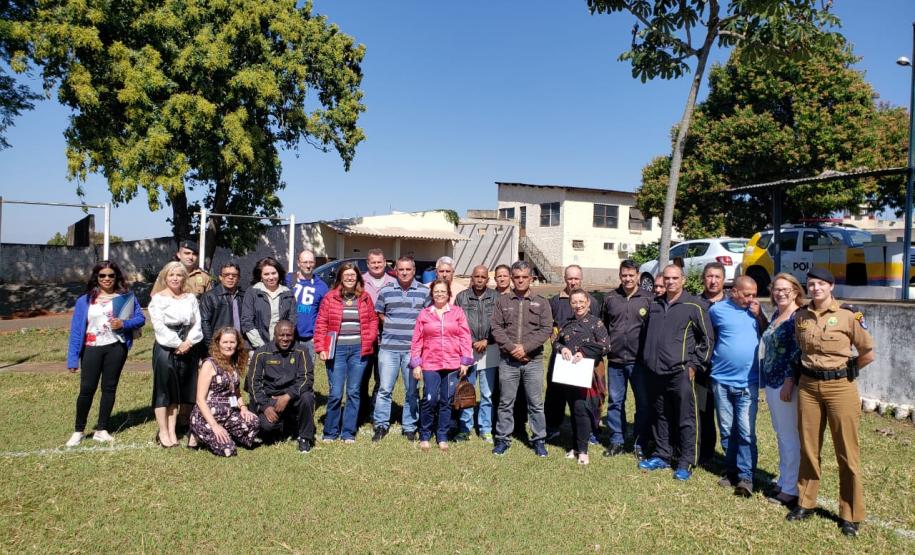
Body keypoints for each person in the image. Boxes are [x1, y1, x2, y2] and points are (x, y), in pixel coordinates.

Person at [786, 268, 874, 538]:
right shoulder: (800, 316)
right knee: (809, 447)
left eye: (821, 284)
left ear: (831, 286)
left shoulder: (849, 316)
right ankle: (805, 502)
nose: (815, 288)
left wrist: (845, 372)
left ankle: (850, 514)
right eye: (811, 284)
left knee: (847, 452)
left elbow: (867, 353)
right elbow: (800, 350)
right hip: (809, 386)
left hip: (840, 388)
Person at [638, 264, 713, 481]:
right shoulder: (655, 305)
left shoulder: (694, 305)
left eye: (674, 278)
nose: (670, 282)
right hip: (655, 372)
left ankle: (686, 461)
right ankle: (662, 454)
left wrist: (694, 365)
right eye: (667, 279)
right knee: (661, 415)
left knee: (686, 417)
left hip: (680, 373)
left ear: (683, 280)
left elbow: (707, 340)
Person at [64, 261, 146, 447]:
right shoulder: (85, 301)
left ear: (116, 277)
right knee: (87, 390)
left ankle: (102, 429)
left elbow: (141, 319)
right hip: (91, 348)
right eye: (102, 275)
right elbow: (77, 331)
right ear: (96, 277)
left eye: (111, 275)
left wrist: (124, 324)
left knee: (109, 388)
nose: (107, 279)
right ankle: (78, 431)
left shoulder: (125, 298)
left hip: (116, 347)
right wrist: (72, 359)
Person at [709, 276, 767, 496]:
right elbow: (708, 337)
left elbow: (767, 332)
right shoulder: (717, 311)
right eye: (746, 294)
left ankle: (746, 476)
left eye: (754, 294)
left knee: (745, 431)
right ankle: (730, 470)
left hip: (747, 383)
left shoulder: (755, 312)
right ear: (734, 291)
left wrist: (759, 315)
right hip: (721, 380)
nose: (751, 299)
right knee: (726, 429)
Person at [490, 260, 554, 457]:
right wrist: (512, 349)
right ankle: (503, 439)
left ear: (531, 278)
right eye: (516, 277)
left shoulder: (542, 302)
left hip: (533, 361)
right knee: (505, 402)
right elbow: (496, 328)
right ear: (512, 278)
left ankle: (538, 440)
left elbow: (546, 329)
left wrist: (525, 348)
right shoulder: (502, 301)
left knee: (535, 403)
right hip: (508, 361)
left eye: (524, 277)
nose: (520, 281)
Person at [314, 262, 379, 443]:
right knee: (335, 393)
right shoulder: (330, 298)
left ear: (358, 278)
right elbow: (321, 324)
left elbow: (373, 320)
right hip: (337, 351)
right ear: (340, 277)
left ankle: (348, 432)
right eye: (346, 275)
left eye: (353, 275)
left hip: (358, 351)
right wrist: (321, 348)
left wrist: (370, 336)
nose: (350, 278)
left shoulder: (365, 298)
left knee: (353, 392)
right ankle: (330, 431)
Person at [410, 279, 474, 451]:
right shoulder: (424, 314)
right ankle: (425, 434)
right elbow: (417, 340)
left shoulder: (457, 313)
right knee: (430, 400)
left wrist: (465, 361)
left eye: (443, 291)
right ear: (432, 294)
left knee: (446, 401)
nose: (439, 294)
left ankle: (442, 436)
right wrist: (416, 363)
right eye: (436, 291)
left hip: (453, 364)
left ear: (448, 294)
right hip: (430, 364)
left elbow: (465, 338)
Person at [371, 256, 429, 442]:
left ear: (414, 270)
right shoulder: (386, 291)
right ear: (395, 270)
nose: (404, 273)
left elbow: (428, 317)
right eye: (401, 269)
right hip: (388, 349)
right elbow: (379, 312)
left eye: (408, 269)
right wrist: (391, 324)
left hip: (413, 351)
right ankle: (381, 425)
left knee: (411, 390)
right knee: (384, 389)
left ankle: (409, 426)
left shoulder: (423, 291)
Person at [759, 273, 804, 507]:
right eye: (776, 289)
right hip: (772, 381)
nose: (780, 293)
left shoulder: (798, 316)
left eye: (785, 289)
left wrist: (789, 381)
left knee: (789, 436)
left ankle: (791, 488)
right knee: (781, 433)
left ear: (796, 291)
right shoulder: (777, 314)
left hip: (787, 385)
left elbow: (797, 352)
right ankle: (784, 477)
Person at [148, 261, 204, 448]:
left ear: (184, 278)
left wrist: (188, 342)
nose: (175, 278)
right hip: (166, 348)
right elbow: (159, 326)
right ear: (165, 277)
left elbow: (197, 323)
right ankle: (163, 431)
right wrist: (177, 343)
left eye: (179, 275)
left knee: (178, 390)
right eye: (171, 275)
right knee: (164, 390)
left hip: (189, 345)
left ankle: (173, 431)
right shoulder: (158, 299)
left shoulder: (190, 298)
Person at [601, 259, 652, 458]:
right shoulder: (610, 298)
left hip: (639, 362)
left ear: (638, 275)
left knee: (643, 403)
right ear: (619, 275)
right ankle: (616, 440)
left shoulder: (648, 298)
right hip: (615, 361)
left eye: (631, 275)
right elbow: (603, 326)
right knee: (615, 401)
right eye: (624, 275)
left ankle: (640, 442)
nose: (628, 279)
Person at [553, 289, 610, 465]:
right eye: (574, 302)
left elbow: (606, 346)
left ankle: (583, 450)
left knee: (582, 410)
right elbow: (556, 341)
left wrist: (584, 352)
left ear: (588, 303)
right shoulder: (567, 324)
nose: (578, 305)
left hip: (589, 375)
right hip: (569, 375)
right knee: (573, 409)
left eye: (581, 302)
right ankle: (575, 447)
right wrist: (562, 348)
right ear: (570, 304)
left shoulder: (596, 323)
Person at [545, 265, 600, 441]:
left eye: (576, 278)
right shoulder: (555, 301)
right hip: (561, 357)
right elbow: (549, 327)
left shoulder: (593, 301)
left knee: (588, 396)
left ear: (581, 278)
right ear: (564, 278)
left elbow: (598, 327)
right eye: (570, 278)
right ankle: (553, 426)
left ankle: (591, 429)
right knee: (555, 394)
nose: (573, 282)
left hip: (585, 359)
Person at [189, 327, 260, 456]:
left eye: (232, 342)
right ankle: (197, 434)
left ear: (237, 344)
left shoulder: (234, 363)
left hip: (228, 414)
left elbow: (236, 392)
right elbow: (200, 399)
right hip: (207, 416)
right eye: (225, 342)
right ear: (218, 343)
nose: (228, 346)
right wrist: (214, 425)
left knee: (253, 422)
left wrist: (243, 408)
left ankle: (224, 433)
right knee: (228, 450)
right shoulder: (209, 364)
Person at [249, 320, 316, 453]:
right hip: (271, 399)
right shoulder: (261, 353)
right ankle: (284, 425)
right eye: (281, 335)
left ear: (293, 335)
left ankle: (304, 438)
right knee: (266, 429)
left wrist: (288, 396)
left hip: (293, 398)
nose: (285, 339)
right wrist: (265, 406)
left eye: (289, 335)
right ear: (275, 335)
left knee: (307, 397)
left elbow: (307, 379)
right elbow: (252, 383)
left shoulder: (301, 351)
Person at [454, 264, 500, 442]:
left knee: (487, 393)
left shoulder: (496, 298)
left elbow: (500, 324)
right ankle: (465, 428)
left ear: (487, 280)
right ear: (471, 278)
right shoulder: (462, 297)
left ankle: (485, 428)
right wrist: (471, 342)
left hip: (490, 349)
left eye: (483, 277)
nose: (479, 280)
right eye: (476, 277)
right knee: (467, 390)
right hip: (467, 351)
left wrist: (488, 340)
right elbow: (457, 323)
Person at [359, 248, 396, 424]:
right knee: (361, 377)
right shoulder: (360, 281)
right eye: (373, 262)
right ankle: (361, 409)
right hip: (364, 338)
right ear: (368, 263)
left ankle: (375, 411)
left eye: (379, 262)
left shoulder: (393, 281)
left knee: (381, 378)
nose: (376, 265)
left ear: (385, 262)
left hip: (386, 339)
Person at [696, 261, 727, 463]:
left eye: (717, 277)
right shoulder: (694, 302)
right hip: (701, 369)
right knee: (702, 411)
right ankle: (705, 452)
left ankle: (729, 457)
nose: (713, 281)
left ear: (724, 280)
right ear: (703, 278)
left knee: (726, 416)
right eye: (709, 276)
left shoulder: (733, 303)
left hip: (725, 370)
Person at [241, 257, 296, 350]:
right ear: (260, 277)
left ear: (279, 273)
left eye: (274, 273)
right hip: (257, 347)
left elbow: (292, 320)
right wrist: (262, 346)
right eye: (266, 274)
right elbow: (247, 322)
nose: (271, 277)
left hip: (282, 347)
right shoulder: (252, 292)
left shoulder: (288, 293)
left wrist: (281, 342)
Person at [285, 249, 328, 364]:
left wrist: (317, 337)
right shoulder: (290, 279)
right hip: (288, 336)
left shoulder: (320, 286)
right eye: (305, 262)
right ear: (298, 263)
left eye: (311, 262)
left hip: (309, 338)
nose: (308, 266)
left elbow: (323, 314)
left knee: (306, 373)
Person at [200, 262, 245, 348]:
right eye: (226, 275)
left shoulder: (244, 296)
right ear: (220, 277)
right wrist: (212, 346)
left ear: (238, 278)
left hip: (239, 345)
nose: (230, 277)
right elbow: (204, 323)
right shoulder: (210, 296)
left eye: (234, 275)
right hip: (219, 345)